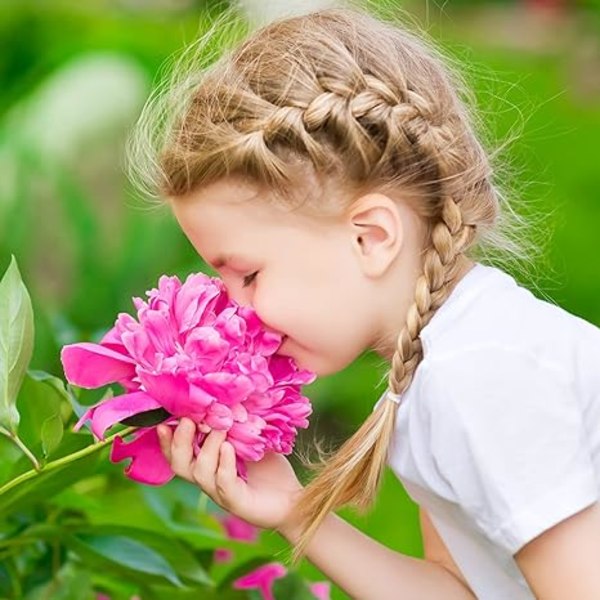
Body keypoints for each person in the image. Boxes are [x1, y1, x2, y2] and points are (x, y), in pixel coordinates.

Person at [126, 7, 600, 599]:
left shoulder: (477, 378)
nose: (239, 313)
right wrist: (294, 512)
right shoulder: (443, 365)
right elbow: (465, 590)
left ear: (370, 237)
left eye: (246, 275)